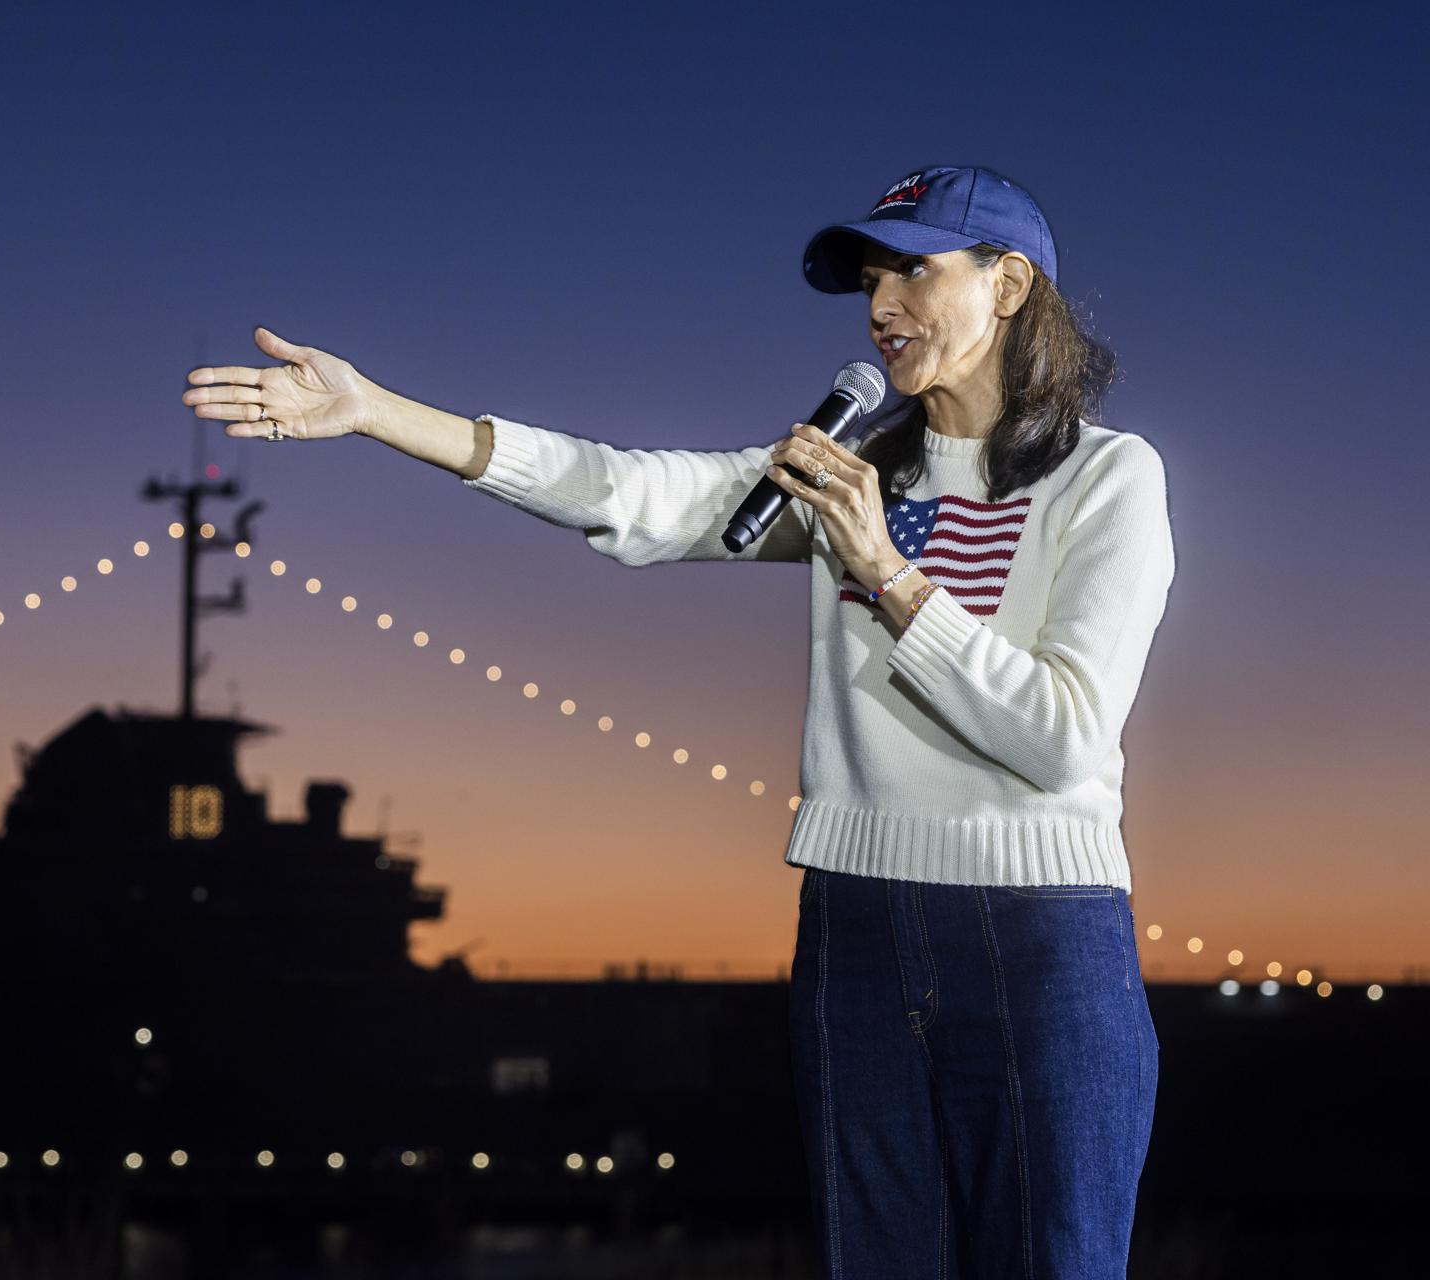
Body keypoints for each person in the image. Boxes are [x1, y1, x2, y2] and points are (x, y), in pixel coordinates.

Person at [180, 163, 1173, 1279]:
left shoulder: (1109, 478)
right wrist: (376, 412)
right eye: (868, 280)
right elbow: (625, 491)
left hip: (1038, 937)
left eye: (912, 270)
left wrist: (888, 573)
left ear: (1009, 285)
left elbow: (1062, 737)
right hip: (856, 928)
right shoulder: (850, 472)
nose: (881, 306)